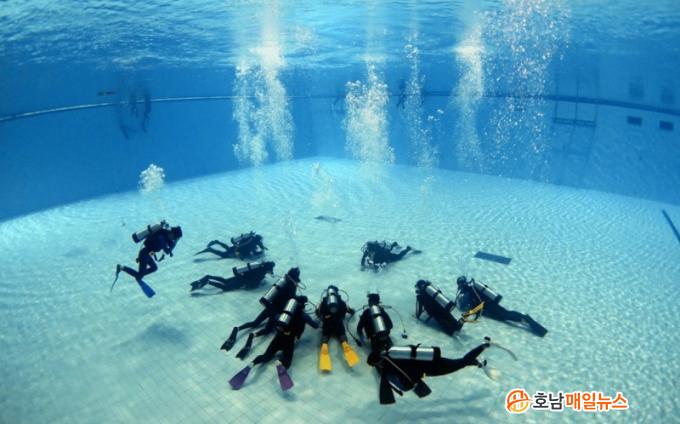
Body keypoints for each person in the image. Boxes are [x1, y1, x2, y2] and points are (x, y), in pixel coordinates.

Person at [228, 295, 320, 391]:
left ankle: (252, 364)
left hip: (278, 338)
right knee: (287, 362)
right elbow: (315, 325)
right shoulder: (304, 316)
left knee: (265, 356)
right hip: (289, 341)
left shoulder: (285, 314)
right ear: (304, 305)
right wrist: (319, 320)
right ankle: (279, 362)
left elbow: (276, 318)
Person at [369, 340, 494, 404]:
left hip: (431, 369)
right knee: (457, 363)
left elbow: (405, 386)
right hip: (431, 359)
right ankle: (477, 362)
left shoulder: (390, 368)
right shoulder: (391, 352)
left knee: (459, 363)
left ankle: (482, 347)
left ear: (377, 362)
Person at [220, 267, 302, 357]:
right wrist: (297, 297)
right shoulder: (291, 286)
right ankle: (253, 335)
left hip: (270, 306)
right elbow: (290, 298)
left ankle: (237, 328)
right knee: (267, 330)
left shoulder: (283, 282)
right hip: (276, 311)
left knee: (255, 323)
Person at [456, 276, 548, 337]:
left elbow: (462, 306)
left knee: (505, 316)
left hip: (488, 308)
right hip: (491, 302)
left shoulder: (468, 291)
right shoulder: (473, 285)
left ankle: (524, 319)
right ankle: (524, 318)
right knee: (506, 313)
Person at [113, 221, 182, 297]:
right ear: (172, 233)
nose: (173, 239)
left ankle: (139, 273)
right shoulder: (162, 238)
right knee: (139, 277)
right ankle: (122, 267)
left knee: (154, 268)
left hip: (147, 254)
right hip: (144, 254)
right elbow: (167, 251)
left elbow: (170, 245)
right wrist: (176, 242)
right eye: (174, 238)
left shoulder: (165, 234)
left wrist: (174, 242)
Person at [316, 285, 360, 371]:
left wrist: (323, 318)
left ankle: (324, 345)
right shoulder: (341, 302)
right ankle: (344, 344)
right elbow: (351, 311)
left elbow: (317, 312)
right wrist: (351, 311)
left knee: (325, 336)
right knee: (342, 335)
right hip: (338, 323)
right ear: (336, 292)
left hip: (327, 324)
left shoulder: (323, 302)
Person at [190, 261, 275, 292]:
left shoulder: (260, 265)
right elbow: (254, 281)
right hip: (242, 281)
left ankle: (209, 276)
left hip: (240, 275)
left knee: (225, 281)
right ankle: (208, 281)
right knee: (226, 287)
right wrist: (254, 286)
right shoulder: (261, 272)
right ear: (268, 268)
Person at [195, 231, 266, 260]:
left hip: (236, 248)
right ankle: (210, 250)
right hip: (238, 250)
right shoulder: (253, 243)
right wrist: (238, 254)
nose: (260, 242)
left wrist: (261, 250)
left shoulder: (252, 240)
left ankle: (217, 242)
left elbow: (260, 247)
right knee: (224, 255)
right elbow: (255, 251)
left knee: (228, 249)